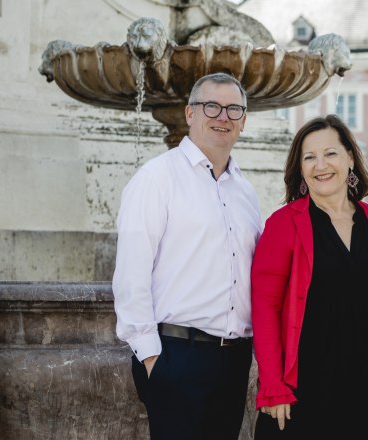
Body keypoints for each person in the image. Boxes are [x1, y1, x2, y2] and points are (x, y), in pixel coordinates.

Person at [113, 72, 262, 439]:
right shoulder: (156, 178)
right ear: (190, 114)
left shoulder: (245, 191)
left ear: (243, 121)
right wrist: (151, 358)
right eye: (211, 105)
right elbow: (132, 273)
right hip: (177, 354)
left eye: (233, 109)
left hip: (234, 358)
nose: (222, 116)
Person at [251, 115, 368, 439]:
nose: (321, 165)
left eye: (330, 153)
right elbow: (264, 309)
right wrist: (273, 386)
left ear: (350, 157)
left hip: (367, 391)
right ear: (301, 169)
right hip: (302, 395)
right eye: (310, 157)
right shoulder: (283, 225)